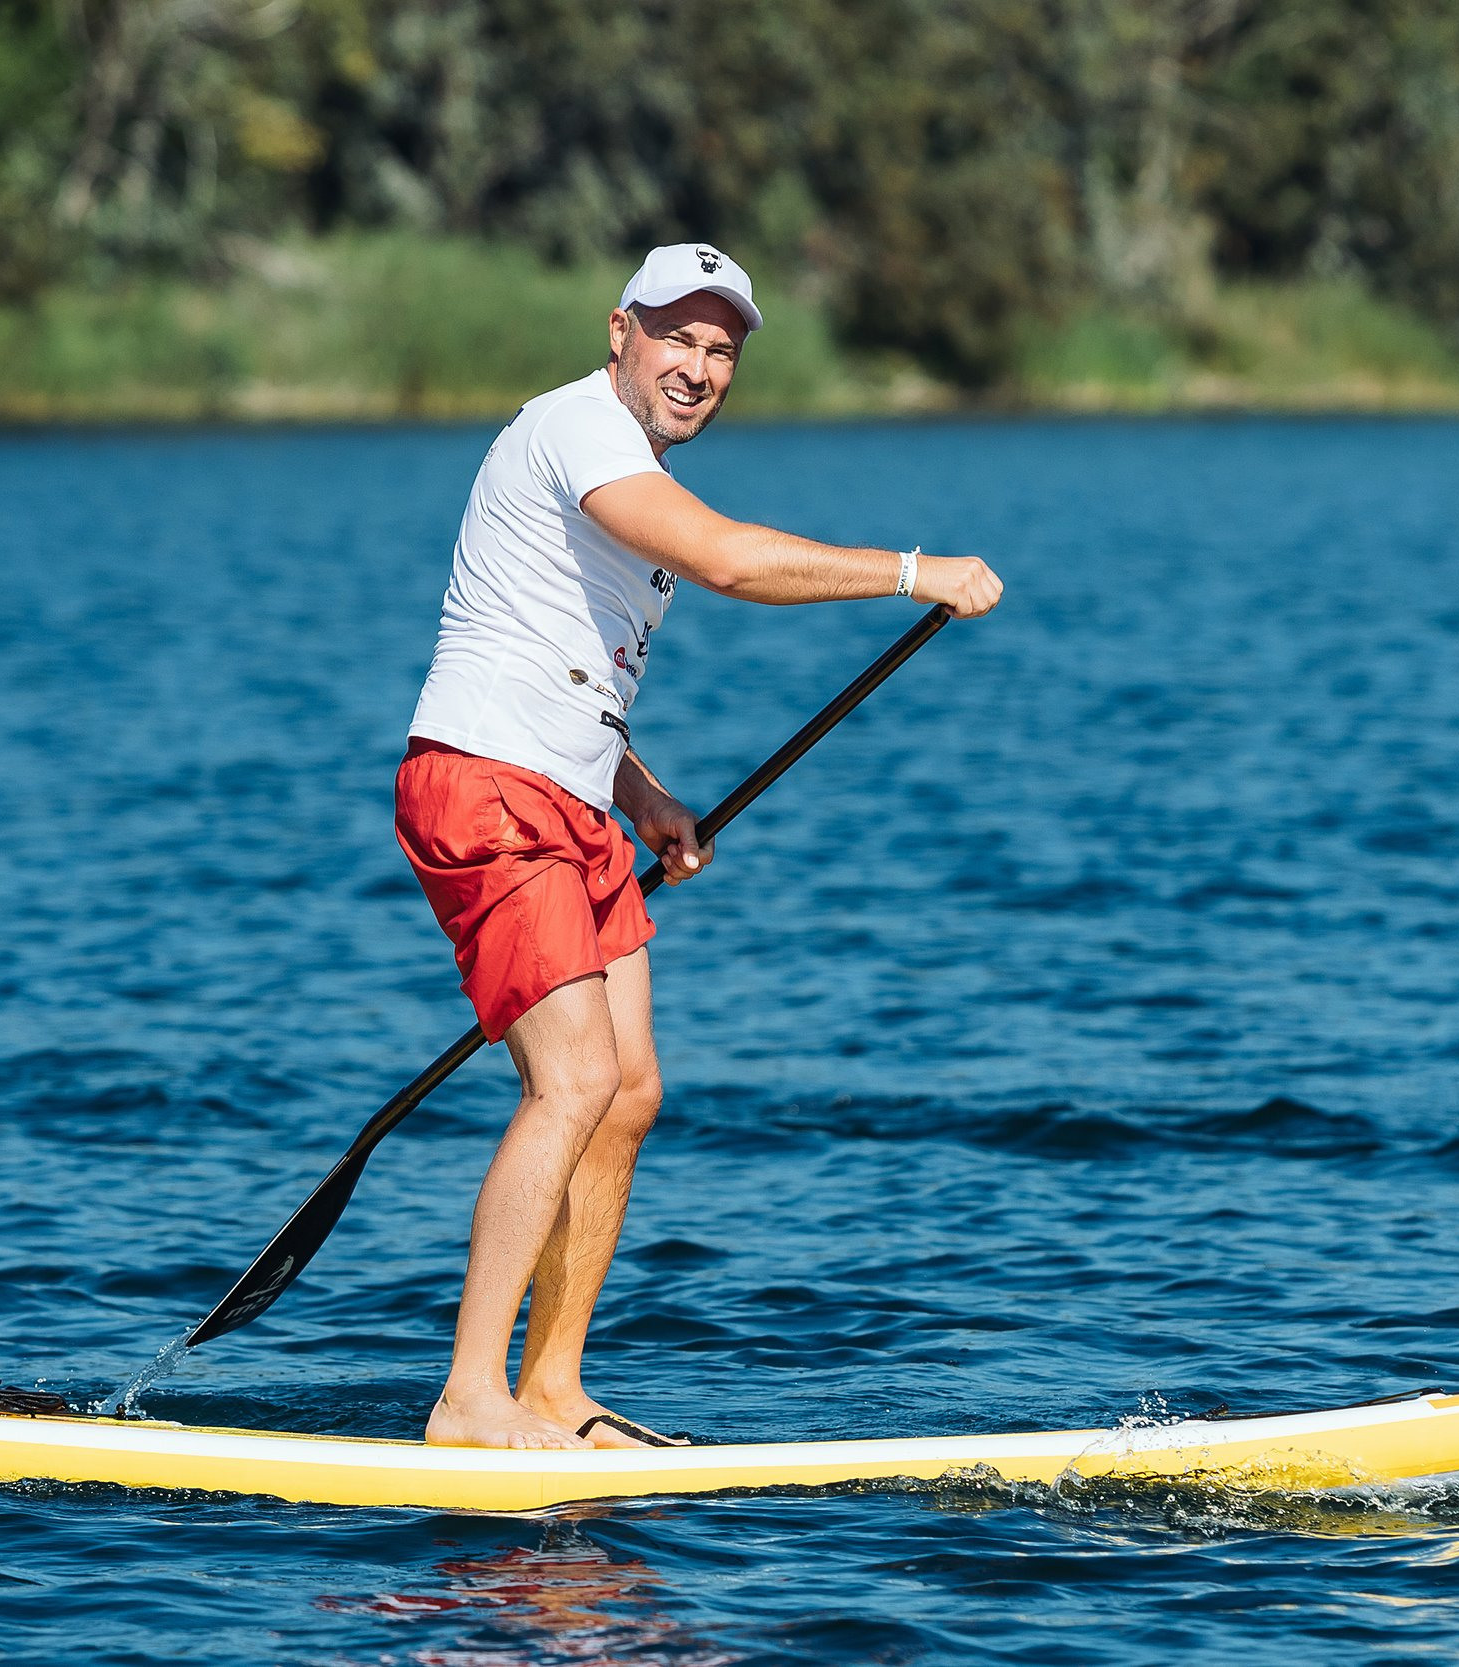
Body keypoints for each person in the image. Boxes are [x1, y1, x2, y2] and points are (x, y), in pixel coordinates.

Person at [398, 243, 1004, 1450]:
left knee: (626, 1094)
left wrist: (644, 794)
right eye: (677, 335)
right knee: (567, 1081)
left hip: (570, 800)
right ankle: (470, 1396)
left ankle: (555, 1394)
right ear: (619, 330)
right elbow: (726, 559)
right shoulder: (575, 430)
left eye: (721, 348)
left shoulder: (620, 457)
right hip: (485, 791)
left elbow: (558, 664)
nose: (698, 365)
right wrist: (907, 570)